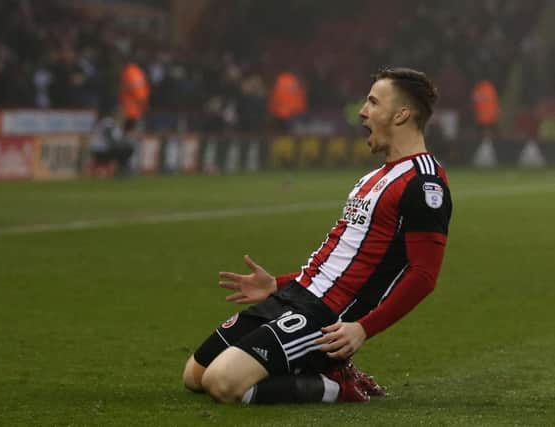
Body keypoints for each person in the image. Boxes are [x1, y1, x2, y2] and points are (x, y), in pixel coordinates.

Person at [183, 67, 452, 404]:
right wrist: (277, 285)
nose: (362, 111)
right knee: (194, 375)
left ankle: (336, 384)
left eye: (372, 102)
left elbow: (424, 275)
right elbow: (341, 259)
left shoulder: (424, 182)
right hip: (295, 294)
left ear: (401, 114)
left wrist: (363, 328)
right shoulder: (372, 178)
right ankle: (306, 366)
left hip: (326, 316)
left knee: (223, 383)